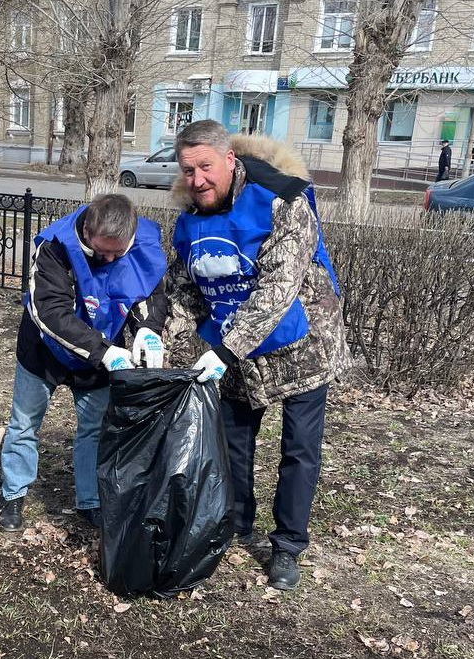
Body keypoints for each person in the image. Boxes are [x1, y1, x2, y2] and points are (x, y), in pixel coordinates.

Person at [165, 120, 351, 590]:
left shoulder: (282, 199)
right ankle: (236, 525)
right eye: (187, 171)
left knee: (299, 450)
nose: (197, 180)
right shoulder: (189, 217)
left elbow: (278, 288)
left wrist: (224, 350)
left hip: (301, 342)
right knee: (233, 445)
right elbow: (187, 293)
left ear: (229, 160)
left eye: (205, 167)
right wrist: (162, 351)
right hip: (235, 350)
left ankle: (288, 545)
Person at [0, 193, 168, 532]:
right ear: (87, 230)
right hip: (45, 349)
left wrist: (148, 329)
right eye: (101, 250)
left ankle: (89, 500)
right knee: (24, 423)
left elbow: (150, 294)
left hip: (101, 353)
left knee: (94, 428)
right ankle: (13, 495)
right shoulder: (55, 247)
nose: (107, 258)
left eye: (116, 253)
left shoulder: (142, 247)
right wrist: (103, 351)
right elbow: (51, 312)